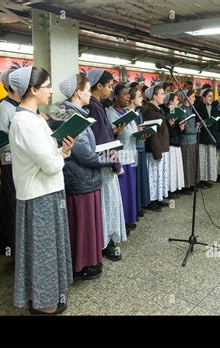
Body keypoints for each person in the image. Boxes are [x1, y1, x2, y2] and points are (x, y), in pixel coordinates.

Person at [8, 66, 74, 315]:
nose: (51, 91)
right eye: (47, 86)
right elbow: (50, 165)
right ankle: (45, 304)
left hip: (46, 192)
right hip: (40, 195)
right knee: (43, 254)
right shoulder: (26, 123)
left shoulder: (34, 118)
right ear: (33, 90)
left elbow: (49, 157)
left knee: (46, 250)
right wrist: (64, 152)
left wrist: (59, 153)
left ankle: (44, 296)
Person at [51, 73, 111, 280]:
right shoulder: (69, 117)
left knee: (87, 224)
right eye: (87, 90)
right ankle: (81, 265)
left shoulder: (76, 113)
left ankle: (89, 261)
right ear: (78, 93)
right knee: (82, 225)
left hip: (85, 178)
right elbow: (84, 154)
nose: (90, 94)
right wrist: (107, 159)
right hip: (80, 178)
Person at [85, 69, 127, 261]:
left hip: (104, 161)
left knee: (106, 203)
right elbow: (101, 140)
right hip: (104, 163)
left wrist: (113, 131)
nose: (110, 90)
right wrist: (115, 164)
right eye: (109, 86)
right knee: (107, 204)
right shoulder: (94, 107)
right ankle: (106, 241)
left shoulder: (97, 105)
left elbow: (103, 133)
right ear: (98, 86)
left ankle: (106, 239)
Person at [0, 69, 21, 256]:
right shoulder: (3, 109)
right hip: (11, 166)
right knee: (12, 207)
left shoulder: (22, 106)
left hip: (23, 165)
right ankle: (12, 248)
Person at [106, 84, 138, 234]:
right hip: (121, 157)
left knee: (131, 190)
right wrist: (116, 132)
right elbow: (108, 137)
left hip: (131, 154)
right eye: (124, 94)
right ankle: (122, 222)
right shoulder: (110, 114)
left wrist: (141, 133)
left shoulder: (128, 112)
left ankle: (130, 218)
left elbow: (132, 131)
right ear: (116, 96)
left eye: (128, 95)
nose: (128, 97)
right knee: (123, 192)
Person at [141, 84, 170, 210]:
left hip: (161, 147)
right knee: (153, 176)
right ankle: (151, 201)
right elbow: (152, 133)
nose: (164, 96)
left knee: (159, 176)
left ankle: (158, 198)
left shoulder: (157, 108)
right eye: (162, 94)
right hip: (154, 150)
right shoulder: (149, 110)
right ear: (154, 96)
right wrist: (157, 152)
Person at [128, 87, 151, 216]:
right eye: (138, 96)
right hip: (133, 149)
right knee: (135, 179)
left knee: (141, 177)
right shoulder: (128, 113)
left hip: (141, 146)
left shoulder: (139, 112)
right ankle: (134, 208)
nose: (142, 98)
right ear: (131, 99)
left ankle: (140, 204)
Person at [162, 92, 185, 197]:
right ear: (170, 101)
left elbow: (176, 130)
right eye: (176, 99)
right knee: (170, 168)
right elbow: (167, 132)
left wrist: (181, 128)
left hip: (177, 142)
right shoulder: (165, 113)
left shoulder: (176, 112)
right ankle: (170, 190)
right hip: (170, 144)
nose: (178, 101)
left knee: (176, 168)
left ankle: (176, 188)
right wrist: (172, 126)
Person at [195, 88, 218, 188]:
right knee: (202, 160)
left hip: (211, 136)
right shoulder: (198, 107)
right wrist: (202, 123)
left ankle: (207, 178)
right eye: (209, 96)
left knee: (210, 159)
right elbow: (196, 121)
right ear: (203, 97)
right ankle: (200, 180)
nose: (211, 98)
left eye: (212, 96)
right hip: (202, 137)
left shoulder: (214, 108)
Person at [178, 89, 198, 195]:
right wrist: (197, 129)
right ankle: (185, 186)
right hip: (185, 141)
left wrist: (197, 126)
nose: (195, 98)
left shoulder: (191, 109)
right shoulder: (181, 110)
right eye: (193, 96)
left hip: (193, 140)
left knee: (192, 164)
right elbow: (186, 129)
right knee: (186, 164)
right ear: (187, 97)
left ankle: (191, 184)